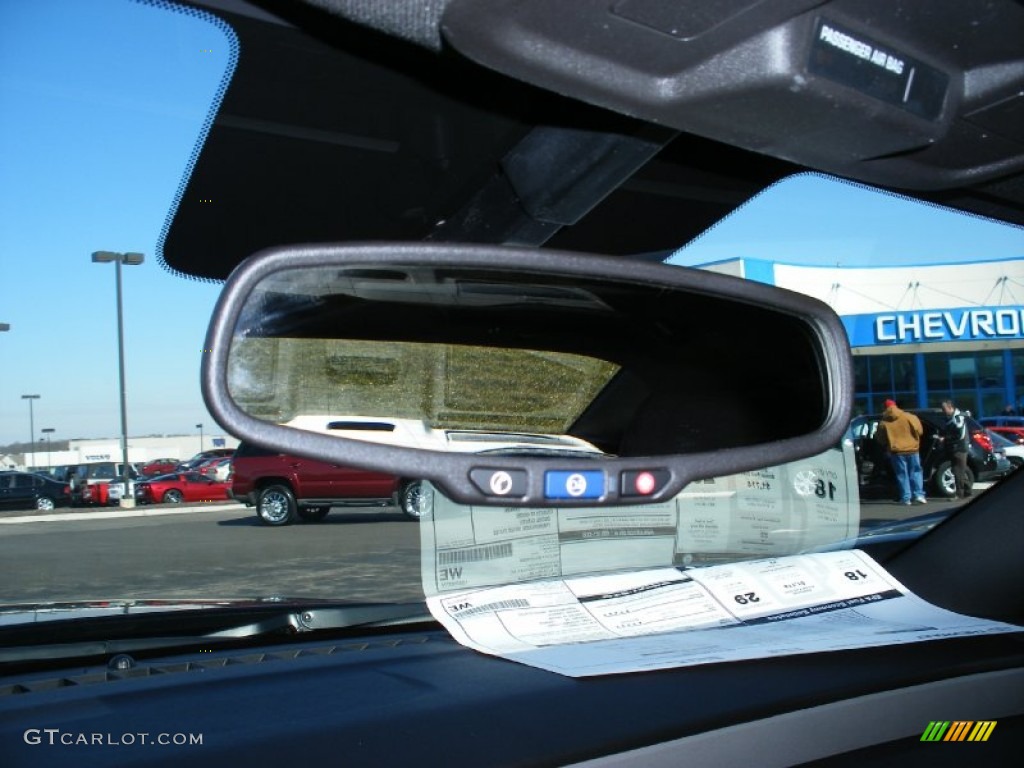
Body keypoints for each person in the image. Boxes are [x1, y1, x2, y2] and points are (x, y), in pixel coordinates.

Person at [875, 398, 927, 505]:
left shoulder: (884, 422)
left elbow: (880, 439)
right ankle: (919, 495)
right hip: (913, 449)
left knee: (902, 474)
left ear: (885, 408)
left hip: (897, 452)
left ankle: (906, 498)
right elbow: (920, 431)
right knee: (916, 472)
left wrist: (888, 444)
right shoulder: (909, 417)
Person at [939, 399, 973, 498]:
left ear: (950, 407)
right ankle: (968, 491)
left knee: (958, 471)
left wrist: (945, 438)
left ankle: (959, 494)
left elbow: (959, 434)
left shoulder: (958, 418)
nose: (943, 410)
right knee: (957, 470)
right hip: (955, 448)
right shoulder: (951, 417)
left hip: (959, 448)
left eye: (944, 408)